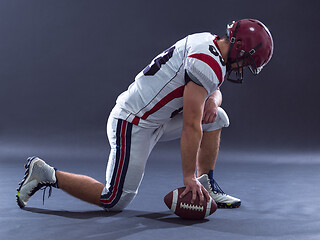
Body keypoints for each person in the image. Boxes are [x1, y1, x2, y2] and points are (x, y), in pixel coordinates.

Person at [16, 19, 274, 211]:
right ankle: (45, 173)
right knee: (113, 200)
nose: (243, 68)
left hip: (155, 119)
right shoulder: (207, 64)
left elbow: (212, 93)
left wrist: (214, 102)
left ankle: (206, 184)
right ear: (240, 48)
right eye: (247, 62)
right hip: (133, 123)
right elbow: (191, 126)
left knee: (217, 117)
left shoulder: (209, 42)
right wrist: (187, 178)